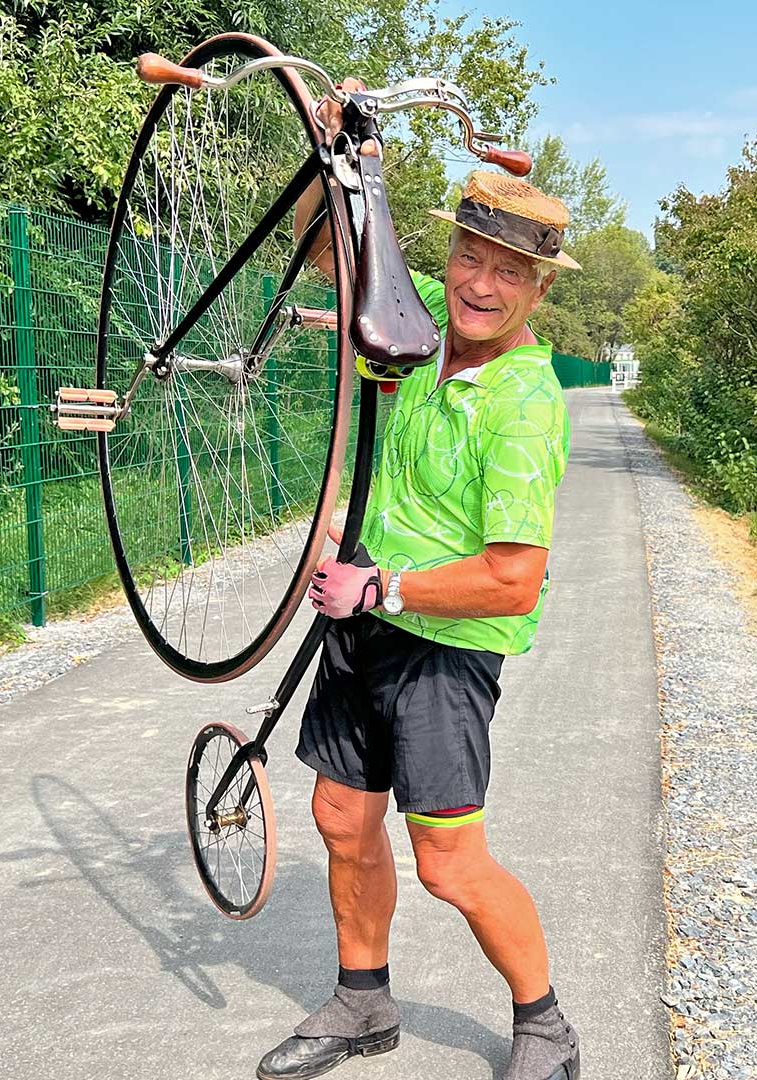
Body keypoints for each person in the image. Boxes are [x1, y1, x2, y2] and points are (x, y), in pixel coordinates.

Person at [255, 85, 583, 1080]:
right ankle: (363, 1005)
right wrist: (335, 156)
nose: (482, 286)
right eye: (471, 258)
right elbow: (327, 252)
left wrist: (384, 588)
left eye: (509, 273)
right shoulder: (428, 317)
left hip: (444, 646)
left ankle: (545, 1026)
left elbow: (514, 582)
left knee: (449, 861)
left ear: (539, 289)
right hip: (368, 613)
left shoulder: (526, 405)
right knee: (341, 818)